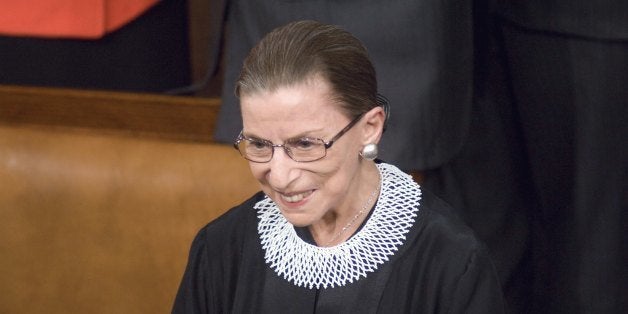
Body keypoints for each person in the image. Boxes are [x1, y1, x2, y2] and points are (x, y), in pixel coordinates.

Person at [172, 20, 505, 313]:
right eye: (259, 144)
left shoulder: (451, 263)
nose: (280, 176)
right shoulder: (220, 248)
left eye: (304, 144)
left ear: (370, 128)